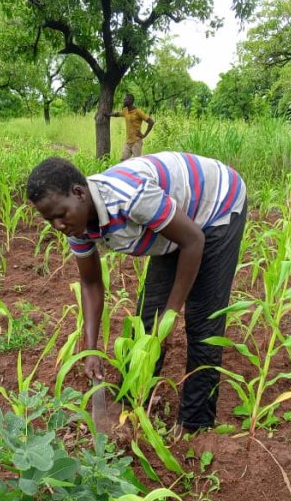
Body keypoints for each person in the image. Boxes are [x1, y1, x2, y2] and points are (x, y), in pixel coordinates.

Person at [26, 152, 247, 432]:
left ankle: (196, 425)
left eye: (60, 215)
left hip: (216, 206)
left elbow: (193, 240)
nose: (58, 226)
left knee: (203, 322)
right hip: (175, 220)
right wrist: (90, 349)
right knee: (146, 321)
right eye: (49, 221)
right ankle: (130, 403)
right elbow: (91, 284)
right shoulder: (75, 226)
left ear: (79, 193)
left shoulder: (130, 197)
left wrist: (170, 316)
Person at [107, 94, 154, 160]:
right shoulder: (125, 110)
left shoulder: (138, 112)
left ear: (130, 101)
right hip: (128, 142)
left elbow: (151, 122)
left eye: (125, 99)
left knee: (136, 162)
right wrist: (107, 114)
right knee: (123, 160)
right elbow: (117, 114)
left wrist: (144, 135)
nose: (123, 101)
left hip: (136, 142)